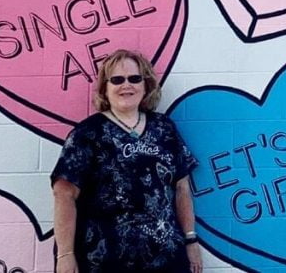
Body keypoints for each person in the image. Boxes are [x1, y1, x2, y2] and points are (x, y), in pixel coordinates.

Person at [51, 49, 203, 273]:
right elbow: (63, 194)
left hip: (166, 258)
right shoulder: (87, 134)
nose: (126, 85)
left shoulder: (164, 129)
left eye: (134, 78)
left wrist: (191, 240)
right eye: (117, 80)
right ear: (105, 87)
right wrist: (65, 254)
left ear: (145, 84)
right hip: (104, 261)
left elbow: (181, 188)